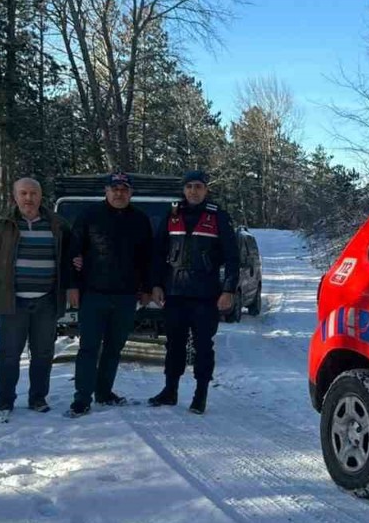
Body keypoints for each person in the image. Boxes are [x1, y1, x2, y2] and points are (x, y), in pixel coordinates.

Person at [0, 177, 74, 422]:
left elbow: (71, 257)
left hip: (46, 300)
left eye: (33, 193)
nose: (29, 198)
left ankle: (38, 397)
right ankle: (5, 400)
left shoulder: (57, 224)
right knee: (8, 354)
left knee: (43, 353)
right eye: (23, 193)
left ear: (41, 196)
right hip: (11, 300)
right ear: (14, 196)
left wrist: (72, 282)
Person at [148, 170, 239, 414]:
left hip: (205, 294)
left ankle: (200, 394)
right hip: (175, 292)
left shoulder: (217, 216)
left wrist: (229, 289)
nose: (193, 191)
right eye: (189, 187)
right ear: (184, 189)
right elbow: (158, 253)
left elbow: (232, 257)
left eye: (198, 186)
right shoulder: (173, 213)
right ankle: (170, 390)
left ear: (206, 189)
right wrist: (156, 284)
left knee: (202, 345)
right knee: (174, 345)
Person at [66, 172, 153, 418]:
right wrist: (72, 286)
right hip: (93, 294)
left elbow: (148, 258)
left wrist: (147, 288)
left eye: (124, 189)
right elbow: (73, 252)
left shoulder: (140, 220)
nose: (119, 193)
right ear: (106, 191)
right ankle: (82, 399)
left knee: (114, 347)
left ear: (131, 192)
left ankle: (103, 392)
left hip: (126, 296)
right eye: (114, 188)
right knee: (89, 348)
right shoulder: (89, 216)